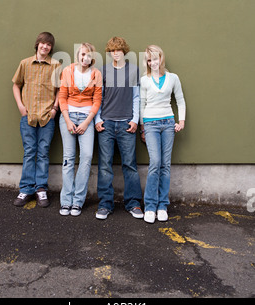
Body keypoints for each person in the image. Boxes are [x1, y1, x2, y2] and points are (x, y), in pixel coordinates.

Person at [95, 37, 143, 220]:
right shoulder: (103, 71)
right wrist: (97, 120)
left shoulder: (133, 71)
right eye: (112, 50)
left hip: (126, 124)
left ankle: (134, 204)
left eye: (119, 50)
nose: (116, 53)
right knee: (105, 166)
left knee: (129, 164)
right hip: (106, 124)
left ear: (124, 51)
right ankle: (105, 204)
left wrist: (135, 120)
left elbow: (137, 97)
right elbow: (99, 97)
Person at [12, 32, 60, 207]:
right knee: (30, 152)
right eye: (42, 43)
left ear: (51, 48)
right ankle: (25, 189)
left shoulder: (55, 65)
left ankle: (41, 190)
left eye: (48, 45)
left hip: (47, 116)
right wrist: (20, 105)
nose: (45, 47)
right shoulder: (25, 63)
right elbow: (16, 85)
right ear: (37, 44)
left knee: (43, 152)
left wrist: (55, 108)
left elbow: (60, 90)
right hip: (29, 116)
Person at [140, 45, 186, 223]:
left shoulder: (173, 78)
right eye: (149, 60)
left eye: (155, 58)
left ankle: (162, 205)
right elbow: (141, 105)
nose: (153, 62)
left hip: (168, 123)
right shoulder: (144, 80)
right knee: (155, 163)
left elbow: (180, 100)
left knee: (165, 165)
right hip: (150, 124)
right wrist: (142, 128)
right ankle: (150, 206)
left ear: (161, 58)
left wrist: (181, 121)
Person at [58, 43, 102, 216]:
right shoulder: (68, 71)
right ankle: (66, 201)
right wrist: (68, 121)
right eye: (83, 54)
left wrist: (86, 123)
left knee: (86, 156)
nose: (85, 58)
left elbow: (97, 100)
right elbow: (62, 96)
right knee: (68, 158)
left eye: (89, 55)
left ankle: (77, 201)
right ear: (78, 55)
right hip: (68, 117)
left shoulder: (96, 74)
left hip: (87, 119)